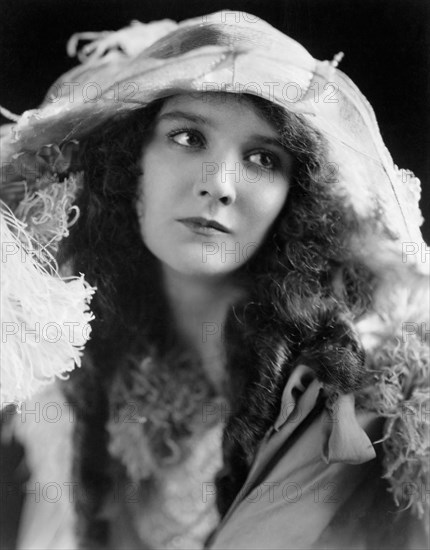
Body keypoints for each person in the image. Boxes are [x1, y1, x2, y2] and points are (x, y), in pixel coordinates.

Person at [0, 9, 428, 550]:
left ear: (294, 200)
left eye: (261, 158)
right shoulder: (82, 369)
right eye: (186, 136)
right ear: (128, 162)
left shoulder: (345, 389)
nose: (220, 185)